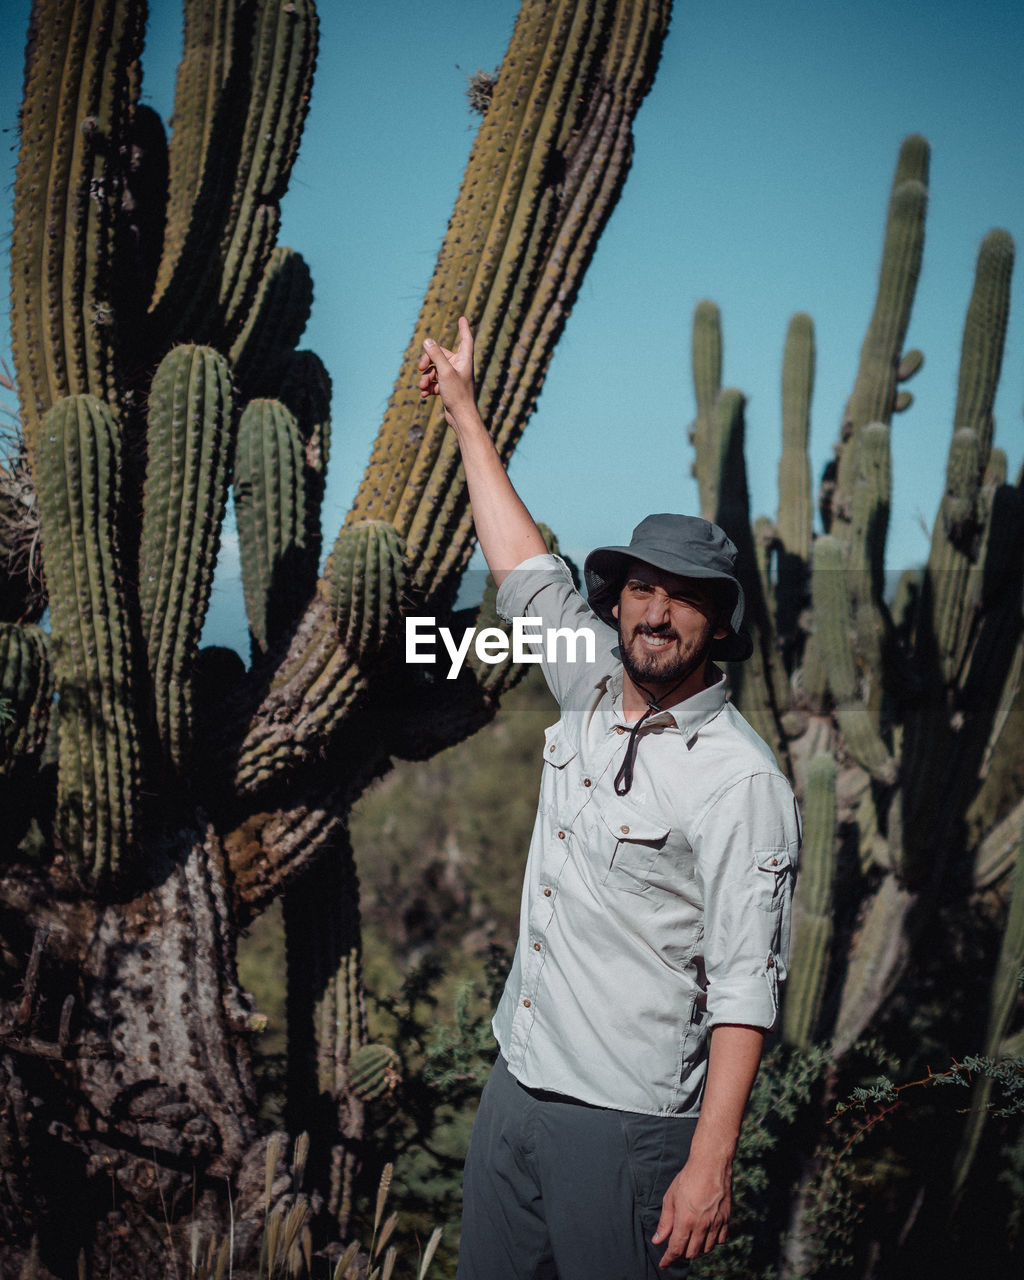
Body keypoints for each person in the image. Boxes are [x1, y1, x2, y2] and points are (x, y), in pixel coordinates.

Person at [418, 318, 801, 1279]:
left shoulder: (739, 779)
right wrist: (464, 411)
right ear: (618, 597)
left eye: (685, 597)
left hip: (627, 1130)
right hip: (517, 1089)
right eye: (641, 587)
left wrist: (709, 1164)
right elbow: (521, 570)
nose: (655, 611)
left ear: (718, 625)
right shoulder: (589, 672)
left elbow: (747, 985)